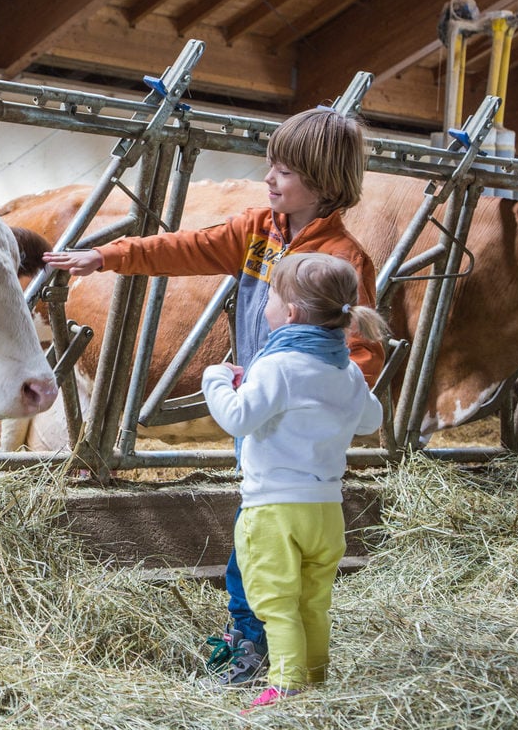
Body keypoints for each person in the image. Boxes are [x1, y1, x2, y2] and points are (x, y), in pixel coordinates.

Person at [42, 107, 384, 687]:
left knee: (259, 542)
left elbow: (360, 357)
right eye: (270, 165)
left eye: (285, 170)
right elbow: (187, 247)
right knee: (265, 535)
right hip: (261, 411)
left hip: (290, 430)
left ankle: (253, 648)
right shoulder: (258, 230)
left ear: (325, 184)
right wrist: (108, 256)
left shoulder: (341, 260)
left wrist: (303, 402)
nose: (269, 178)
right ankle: (286, 653)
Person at [200, 252, 386, 709]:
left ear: (291, 313)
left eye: (271, 296)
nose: (265, 304)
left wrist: (216, 378)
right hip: (326, 511)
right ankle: (318, 677)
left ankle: (286, 684)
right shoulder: (346, 369)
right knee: (313, 601)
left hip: (274, 510)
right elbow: (371, 420)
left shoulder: (277, 365)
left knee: (276, 602)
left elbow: (238, 418)